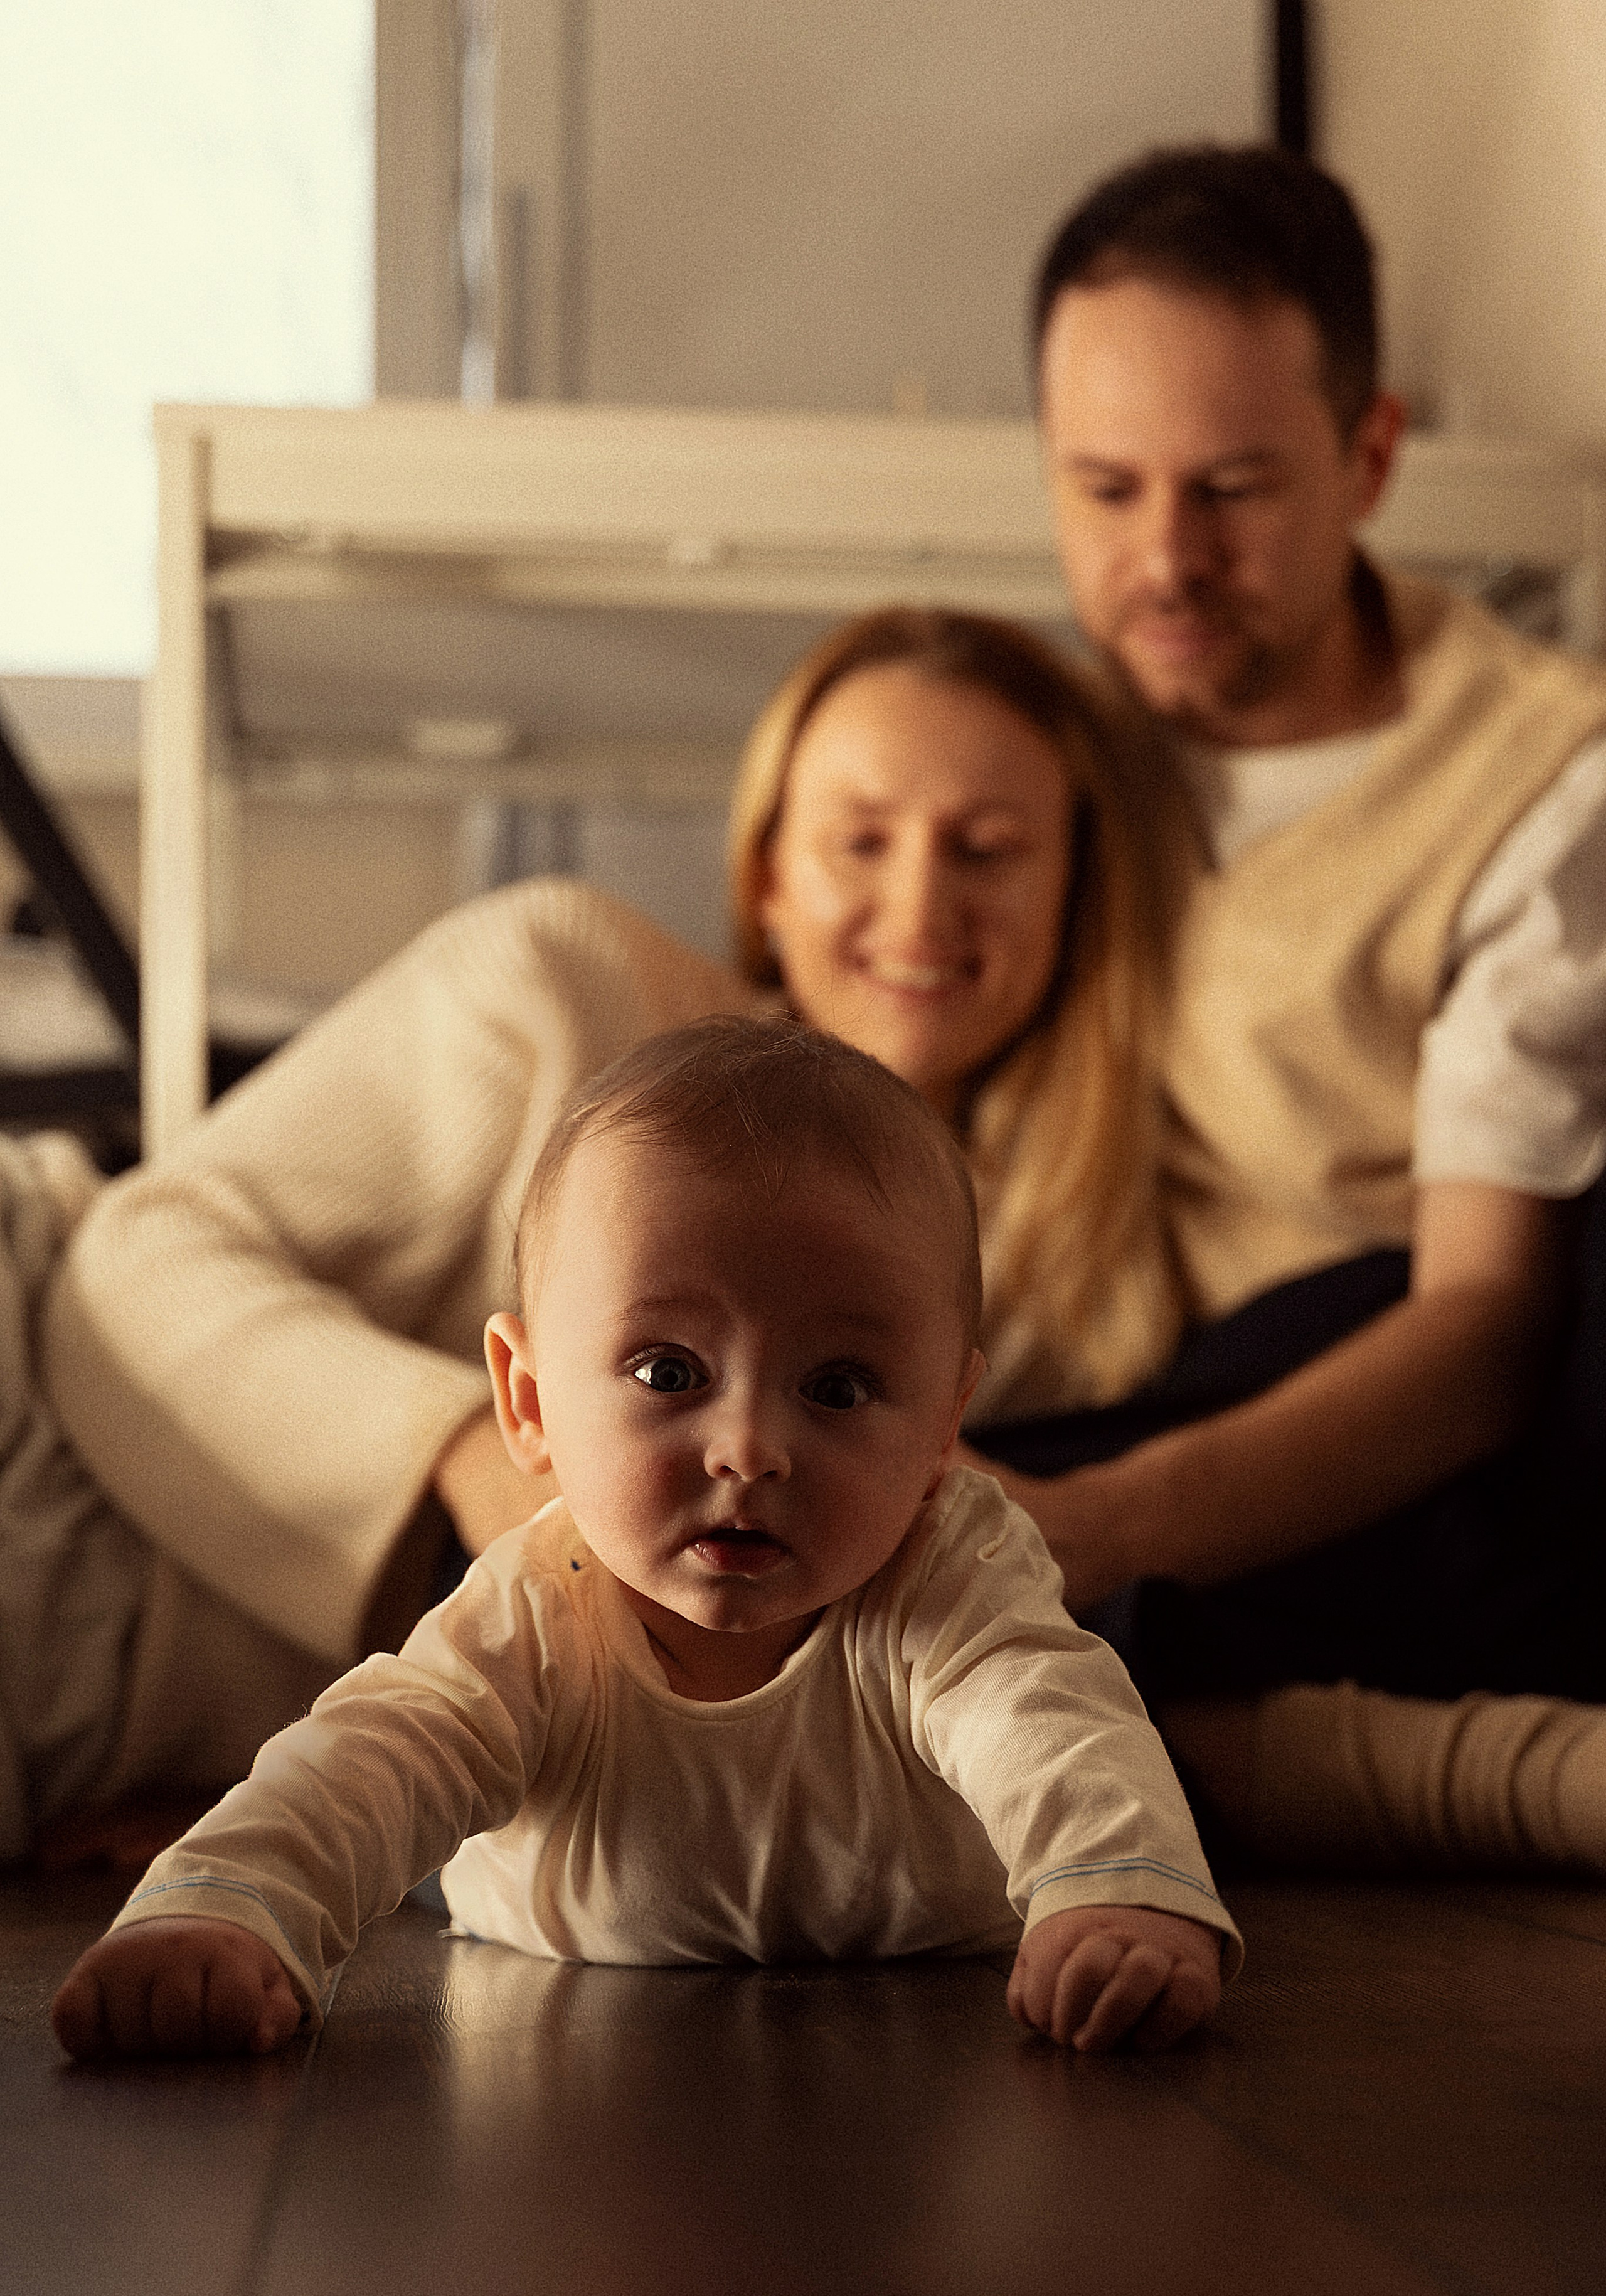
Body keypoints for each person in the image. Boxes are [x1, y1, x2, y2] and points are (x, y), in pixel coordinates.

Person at [17, 605, 1195, 1871]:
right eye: (858, 839)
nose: (917, 902)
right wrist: (486, 1466)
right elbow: (131, 1271)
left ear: (1071, 893)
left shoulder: (1054, 1288)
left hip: (159, 1738)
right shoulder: (558, 985)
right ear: (765, 876)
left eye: (987, 848)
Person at [50, 1019, 1239, 2061]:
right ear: (528, 1403)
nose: (747, 1450)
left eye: (837, 1386)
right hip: (531, 1922)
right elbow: (376, 1756)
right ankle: (209, 1846)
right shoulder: (539, 1604)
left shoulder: (951, 1571)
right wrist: (225, 1914)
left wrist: (1114, 1895)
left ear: (941, 1431)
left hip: (923, 1966)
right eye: (669, 1371)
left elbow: (1051, 1723)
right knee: (408, 1806)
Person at [958, 143, 1606, 1862]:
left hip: (1423, 1425)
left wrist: (1090, 1527)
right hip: (1130, 1402)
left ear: (1370, 454)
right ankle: (1279, 1754)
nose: (1164, 558)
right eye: (1103, 489)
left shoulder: (1539, 775)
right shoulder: (1039, 741)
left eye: (1234, 488)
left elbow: (1486, 1330)